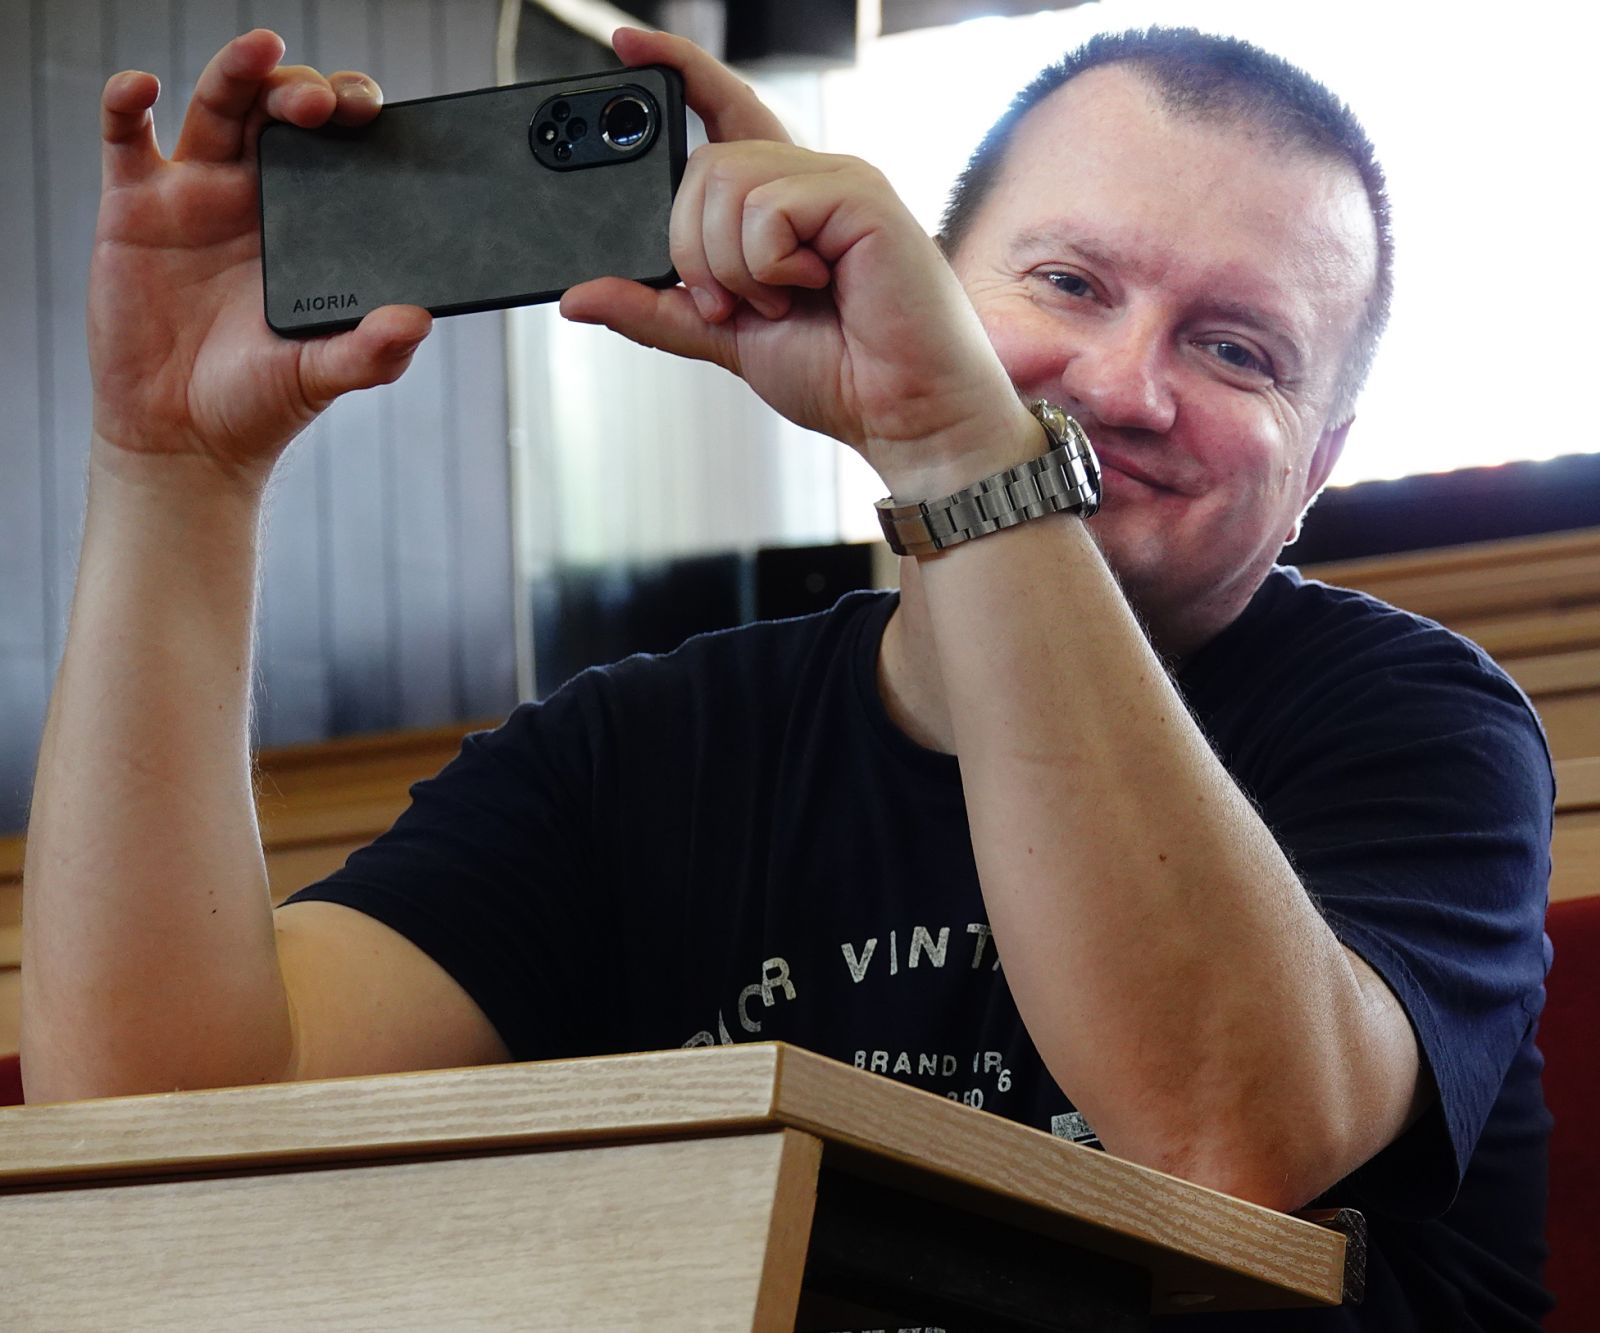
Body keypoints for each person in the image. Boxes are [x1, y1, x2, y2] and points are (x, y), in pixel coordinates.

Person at [21, 21, 1551, 1331]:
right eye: (1071, 282)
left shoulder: (1421, 729)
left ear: (1318, 471)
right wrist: (175, 473)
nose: (1124, 384)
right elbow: (171, 1132)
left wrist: (960, 447)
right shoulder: (640, 750)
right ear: (937, 289)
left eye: (1238, 351)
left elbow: (1217, 1135)